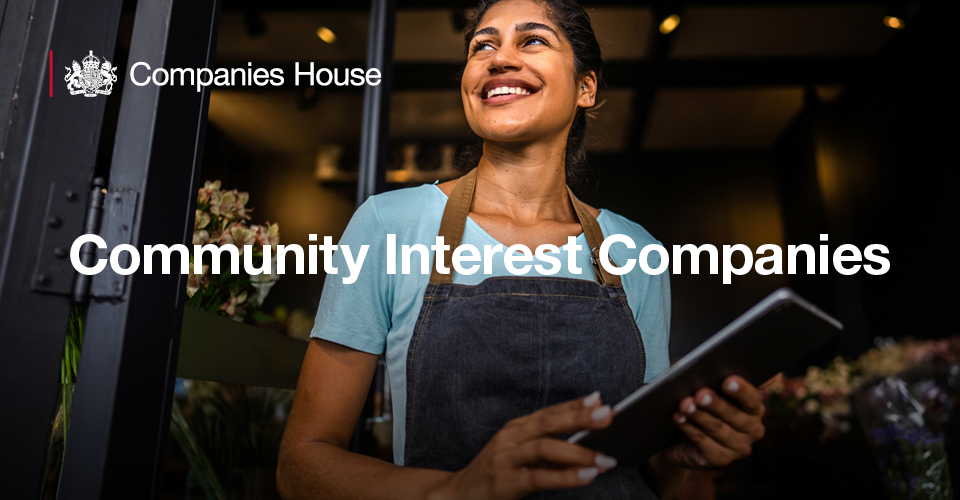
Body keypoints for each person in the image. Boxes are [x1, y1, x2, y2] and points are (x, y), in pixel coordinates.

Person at [277, 0, 768, 498]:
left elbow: (643, 472)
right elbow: (300, 466)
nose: (500, 58)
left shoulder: (637, 250)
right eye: (482, 46)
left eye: (532, 40)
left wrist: (678, 460)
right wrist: (456, 490)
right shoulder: (388, 225)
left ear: (586, 87)